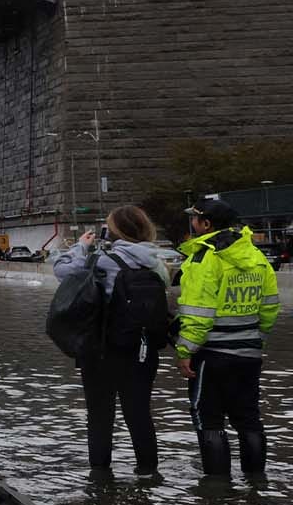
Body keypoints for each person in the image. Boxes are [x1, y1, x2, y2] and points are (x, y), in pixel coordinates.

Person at [51, 205, 169, 480]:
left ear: (114, 231)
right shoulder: (157, 262)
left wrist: (81, 247)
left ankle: (100, 477)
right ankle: (148, 473)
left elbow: (61, 271)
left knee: (100, 416)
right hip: (142, 350)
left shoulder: (103, 260)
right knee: (139, 414)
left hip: (102, 350)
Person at [177, 199, 279, 480]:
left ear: (206, 224)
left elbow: (199, 313)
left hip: (212, 353)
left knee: (208, 419)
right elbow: (270, 306)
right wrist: (256, 339)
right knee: (248, 418)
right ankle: (256, 481)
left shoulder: (205, 258)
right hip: (249, 353)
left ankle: (217, 488)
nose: (192, 224)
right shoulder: (255, 255)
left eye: (195, 220)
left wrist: (185, 350)